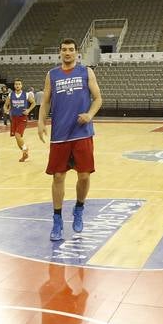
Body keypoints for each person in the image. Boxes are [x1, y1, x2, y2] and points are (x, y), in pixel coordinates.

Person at [38, 38, 103, 242]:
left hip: (82, 132)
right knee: (58, 177)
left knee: (84, 176)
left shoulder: (86, 72)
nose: (68, 53)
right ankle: (57, 220)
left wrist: (90, 115)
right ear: (60, 52)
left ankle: (79, 208)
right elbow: (45, 101)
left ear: (77, 52)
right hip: (60, 134)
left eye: (71, 50)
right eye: (64, 49)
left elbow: (98, 98)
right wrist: (41, 123)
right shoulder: (52, 75)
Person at [6, 78, 36, 161]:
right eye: (16, 84)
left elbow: (34, 103)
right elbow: (6, 105)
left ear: (21, 85)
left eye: (19, 84)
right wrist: (6, 110)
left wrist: (28, 110)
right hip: (14, 118)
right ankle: (24, 154)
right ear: (14, 85)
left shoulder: (26, 94)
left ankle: (25, 149)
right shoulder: (10, 95)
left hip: (22, 118)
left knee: (17, 135)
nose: (17, 85)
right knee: (17, 138)